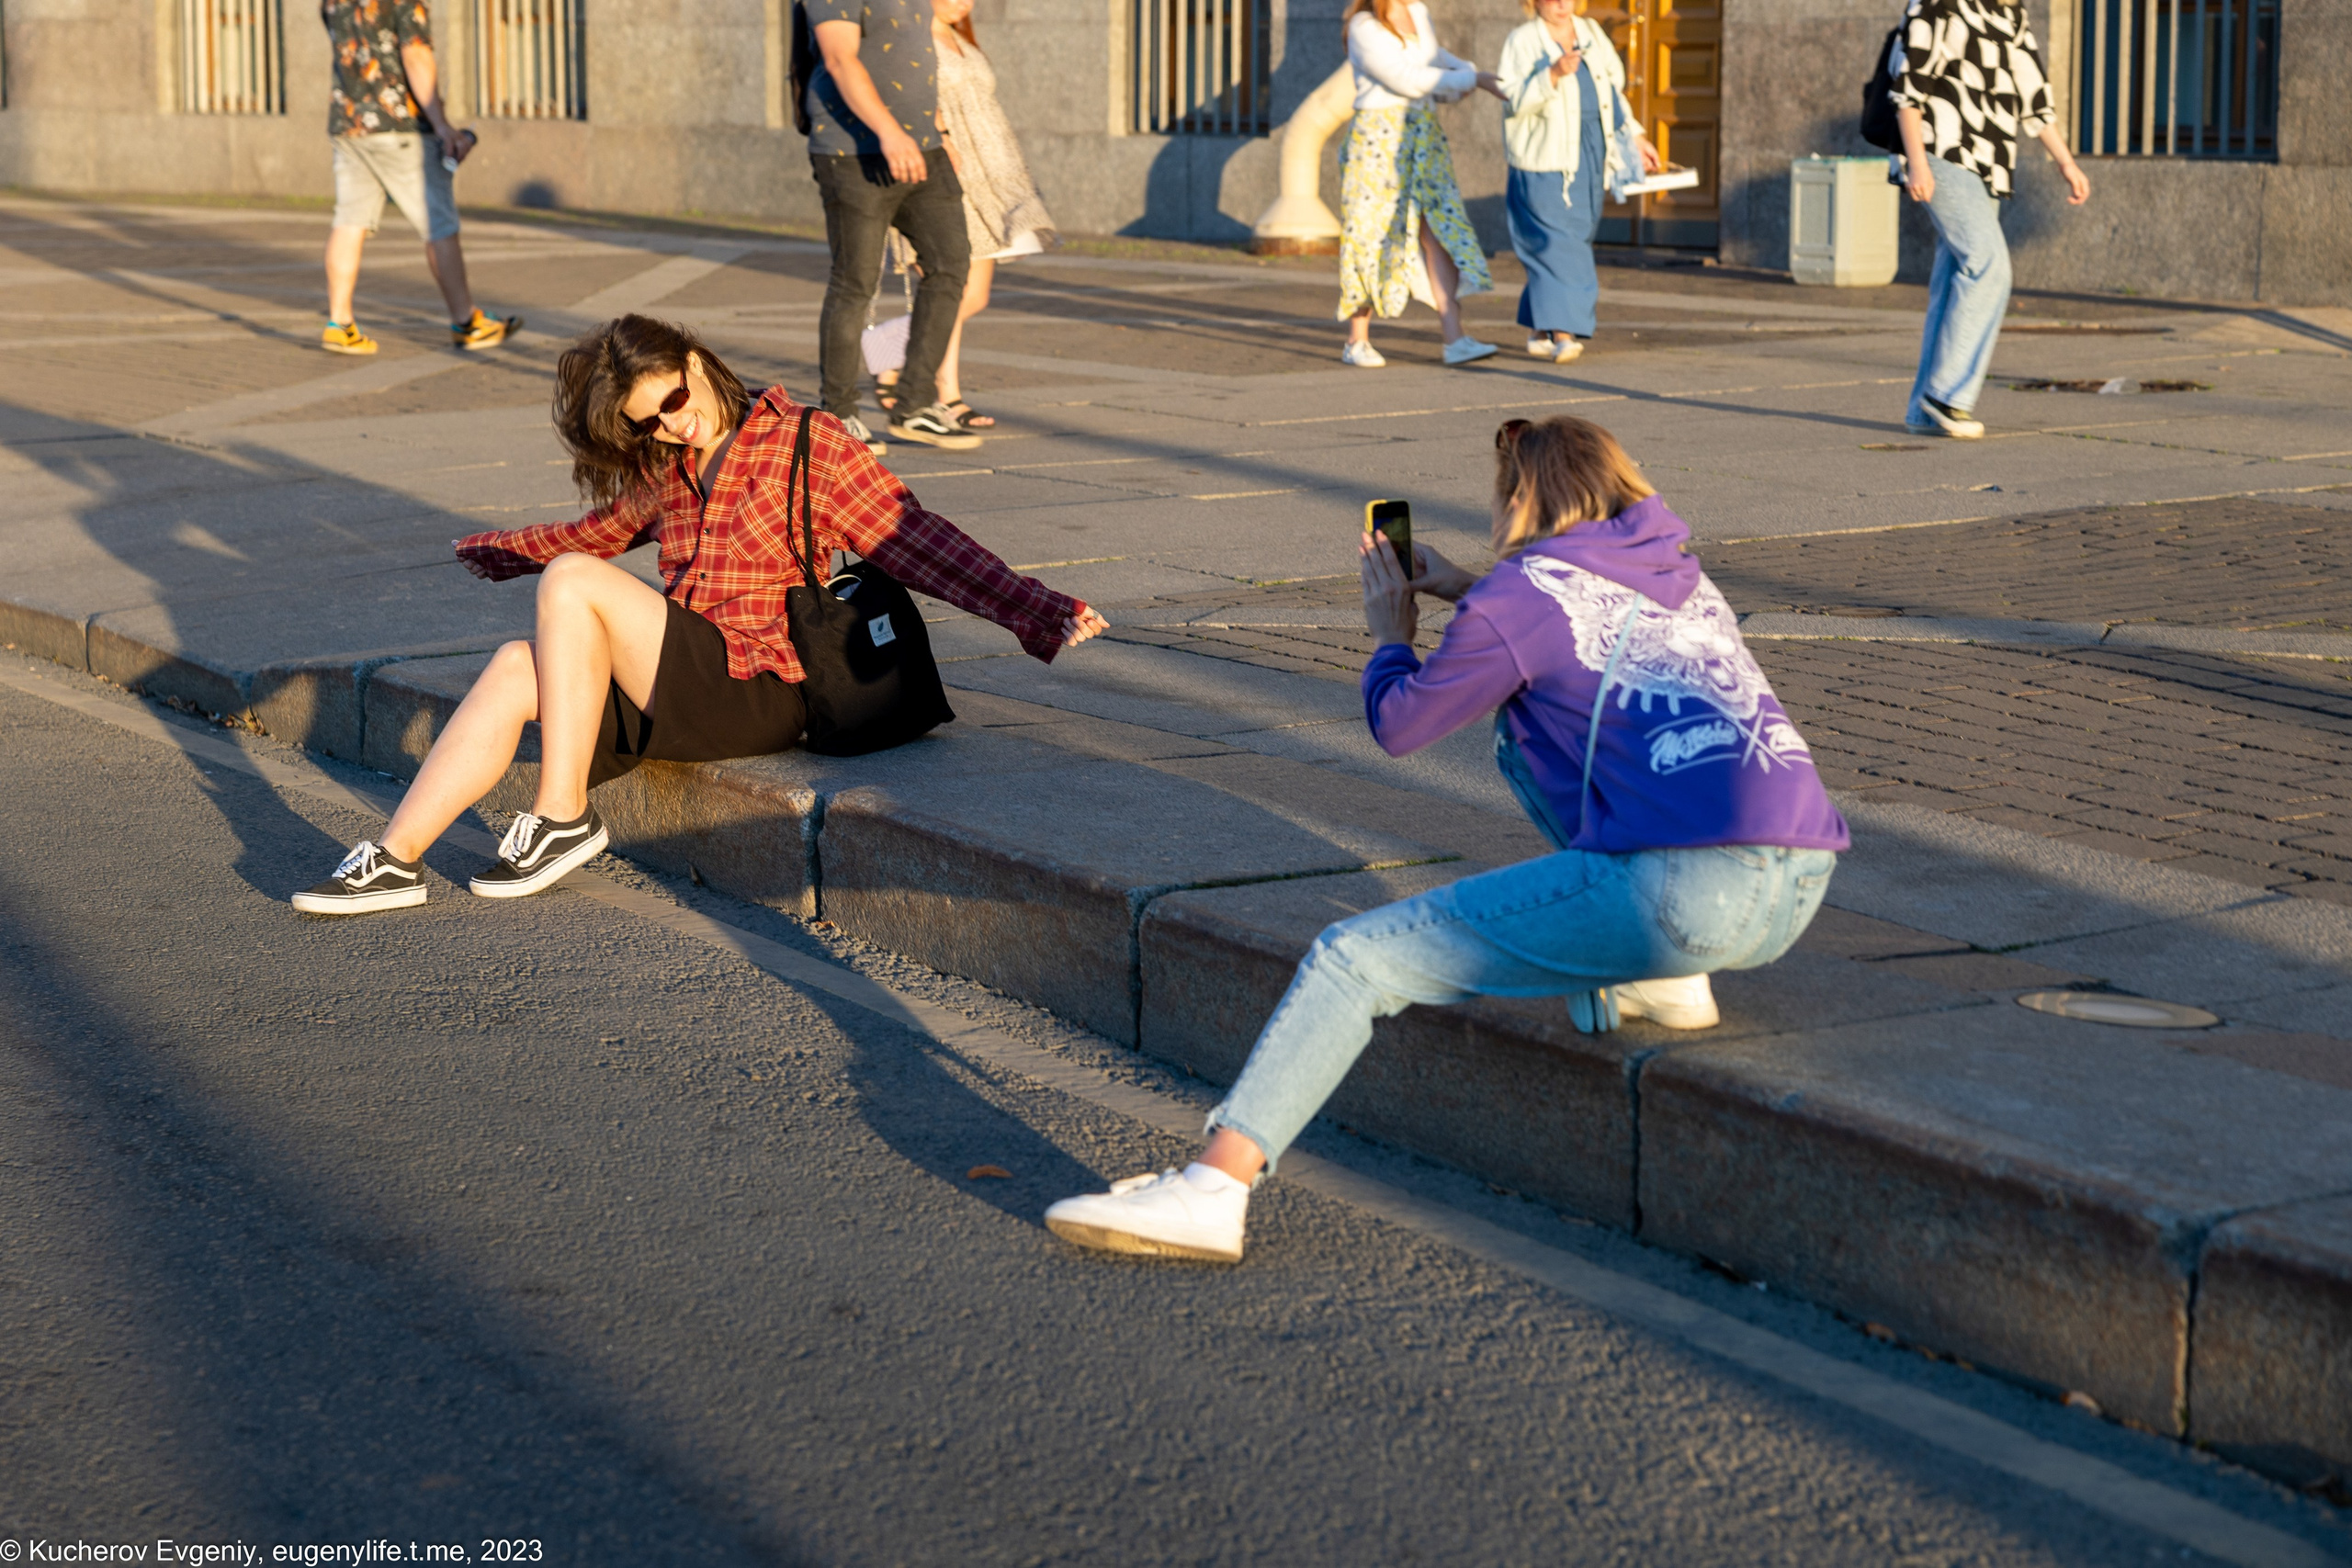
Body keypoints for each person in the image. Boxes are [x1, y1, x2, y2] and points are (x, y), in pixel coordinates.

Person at [1045, 416, 1848, 1263]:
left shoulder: (1519, 595)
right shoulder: (1676, 570)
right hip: (1797, 885)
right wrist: (1468, 587)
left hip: (1684, 893)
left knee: (1354, 959)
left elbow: (1403, 725)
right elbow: (1582, 630)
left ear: (1520, 496)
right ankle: (1672, 977)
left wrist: (1392, 636)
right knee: (1588, 734)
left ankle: (1214, 1189)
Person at [291, 315, 1107, 916]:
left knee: (573, 583)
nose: (674, 425)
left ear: (695, 360)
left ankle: (562, 816)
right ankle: (395, 861)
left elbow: (913, 538)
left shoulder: (808, 443)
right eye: (650, 421)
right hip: (684, 679)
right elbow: (595, 533)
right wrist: (508, 549)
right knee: (515, 663)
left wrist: (1037, 610)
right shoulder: (672, 466)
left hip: (760, 682)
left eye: (675, 401)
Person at [1891, 0, 2090, 438]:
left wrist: (2067, 164)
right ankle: (1947, 396)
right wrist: (1917, 163)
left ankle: (1923, 412)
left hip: (1989, 166)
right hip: (1939, 154)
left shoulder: (2011, 14)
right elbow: (1908, 88)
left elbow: (2034, 96)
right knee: (1988, 264)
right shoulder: (1938, 4)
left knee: (1952, 280)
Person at [872, 0, 1059, 435]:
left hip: (990, 178)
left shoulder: (960, 40)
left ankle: (887, 349)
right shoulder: (909, 38)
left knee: (975, 297)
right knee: (951, 291)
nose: (962, 3)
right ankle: (947, 397)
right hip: (946, 176)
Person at [805, 0, 980, 454]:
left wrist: (937, 132)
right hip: (854, 153)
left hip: (924, 147)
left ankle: (916, 405)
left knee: (950, 265)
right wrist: (888, 132)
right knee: (855, 282)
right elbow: (840, 59)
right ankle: (839, 415)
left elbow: (915, 60)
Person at [318, 0, 518, 356]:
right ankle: (466, 321)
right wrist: (441, 125)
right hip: (400, 128)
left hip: (348, 124)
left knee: (349, 219)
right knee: (438, 223)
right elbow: (416, 56)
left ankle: (340, 323)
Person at [1337, 0, 1506, 369]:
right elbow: (1405, 78)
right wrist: (1472, 79)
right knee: (1370, 231)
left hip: (1423, 134)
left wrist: (1468, 74)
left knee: (1439, 230)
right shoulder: (1364, 25)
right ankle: (1357, 339)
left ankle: (1454, 338)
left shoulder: (1418, 11)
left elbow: (1433, 62)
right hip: (1377, 138)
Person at [1498, 0, 1660, 364]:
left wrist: (1636, 138)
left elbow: (1613, 94)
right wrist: (1552, 75)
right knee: (1561, 243)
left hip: (1589, 151)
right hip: (1543, 158)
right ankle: (1563, 333)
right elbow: (1510, 98)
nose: (1561, 5)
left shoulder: (1590, 32)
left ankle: (1539, 327)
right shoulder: (1522, 40)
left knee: (1573, 236)